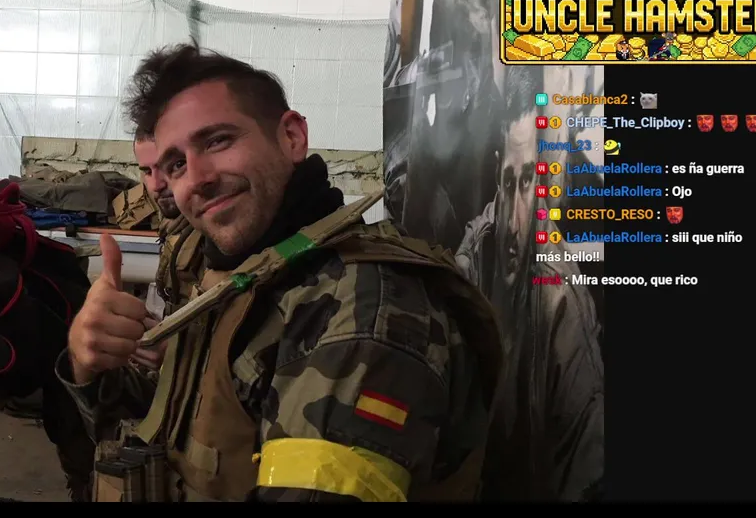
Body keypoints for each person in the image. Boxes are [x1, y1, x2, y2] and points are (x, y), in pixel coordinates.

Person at [57, 44, 503, 502]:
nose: (198, 178)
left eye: (218, 141)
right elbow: (170, 428)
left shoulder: (360, 311)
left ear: (291, 137)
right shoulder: (248, 273)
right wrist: (88, 362)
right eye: (177, 165)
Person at [454, 67, 605, 502]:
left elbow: (585, 469)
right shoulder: (477, 251)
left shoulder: (563, 306)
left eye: (527, 183)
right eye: (508, 182)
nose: (515, 223)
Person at [134, 130, 201, 312]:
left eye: (173, 166)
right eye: (147, 171)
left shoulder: (217, 236)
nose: (156, 185)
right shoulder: (172, 226)